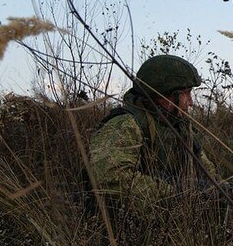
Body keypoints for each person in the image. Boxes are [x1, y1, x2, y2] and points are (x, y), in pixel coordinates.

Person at [88, 54, 217, 207]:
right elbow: (109, 178)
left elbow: (207, 171)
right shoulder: (126, 124)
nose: (190, 102)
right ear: (165, 94)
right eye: (186, 93)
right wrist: (176, 193)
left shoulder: (180, 126)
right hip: (125, 223)